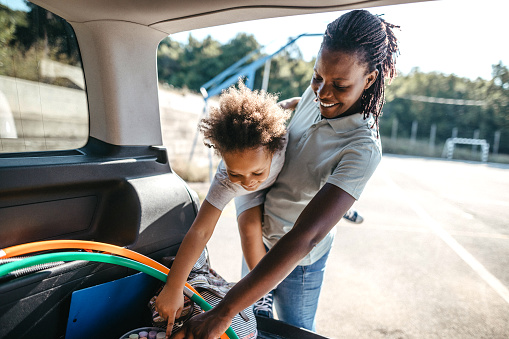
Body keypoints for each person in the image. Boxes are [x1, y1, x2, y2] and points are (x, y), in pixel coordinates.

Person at [171, 9, 400, 339]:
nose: (322, 93)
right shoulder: (316, 94)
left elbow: (305, 237)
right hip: (261, 238)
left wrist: (224, 311)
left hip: (299, 261)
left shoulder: (363, 149)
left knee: (296, 332)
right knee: (252, 326)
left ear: (370, 79)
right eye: (317, 77)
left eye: (339, 85)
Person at [154, 81, 290, 337]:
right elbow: (200, 232)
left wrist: (293, 103)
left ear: (273, 148)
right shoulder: (228, 181)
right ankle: (261, 294)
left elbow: (282, 110)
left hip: (280, 182)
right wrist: (174, 286)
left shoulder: (280, 138)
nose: (248, 179)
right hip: (248, 197)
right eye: (236, 172)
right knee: (249, 227)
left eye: (256, 171)